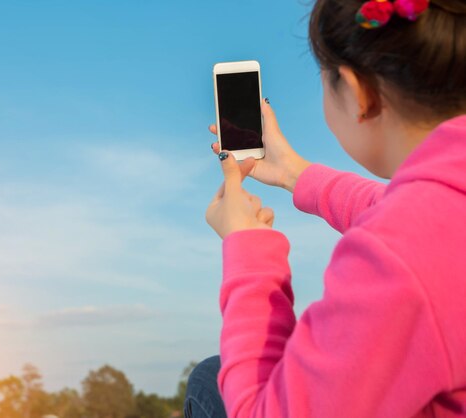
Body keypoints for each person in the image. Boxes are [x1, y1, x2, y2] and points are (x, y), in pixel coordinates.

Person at [184, 0, 466, 416]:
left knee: (211, 380)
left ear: (358, 93)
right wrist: (295, 174)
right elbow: (421, 218)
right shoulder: (441, 208)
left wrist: (249, 252)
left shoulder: (397, 262)